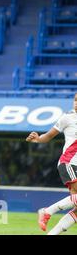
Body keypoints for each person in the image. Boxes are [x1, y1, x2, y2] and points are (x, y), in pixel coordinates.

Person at [26, 92, 77, 235]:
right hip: (69, 162)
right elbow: (48, 136)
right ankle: (46, 211)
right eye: (75, 100)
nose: (76, 103)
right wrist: (37, 138)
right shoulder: (68, 118)